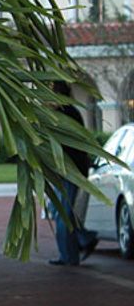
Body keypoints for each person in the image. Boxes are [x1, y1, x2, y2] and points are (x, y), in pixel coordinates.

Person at [49, 83, 99, 266]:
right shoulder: (70, 113)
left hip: (69, 170)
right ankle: (81, 240)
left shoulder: (64, 115)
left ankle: (70, 254)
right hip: (69, 169)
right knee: (60, 211)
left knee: (63, 213)